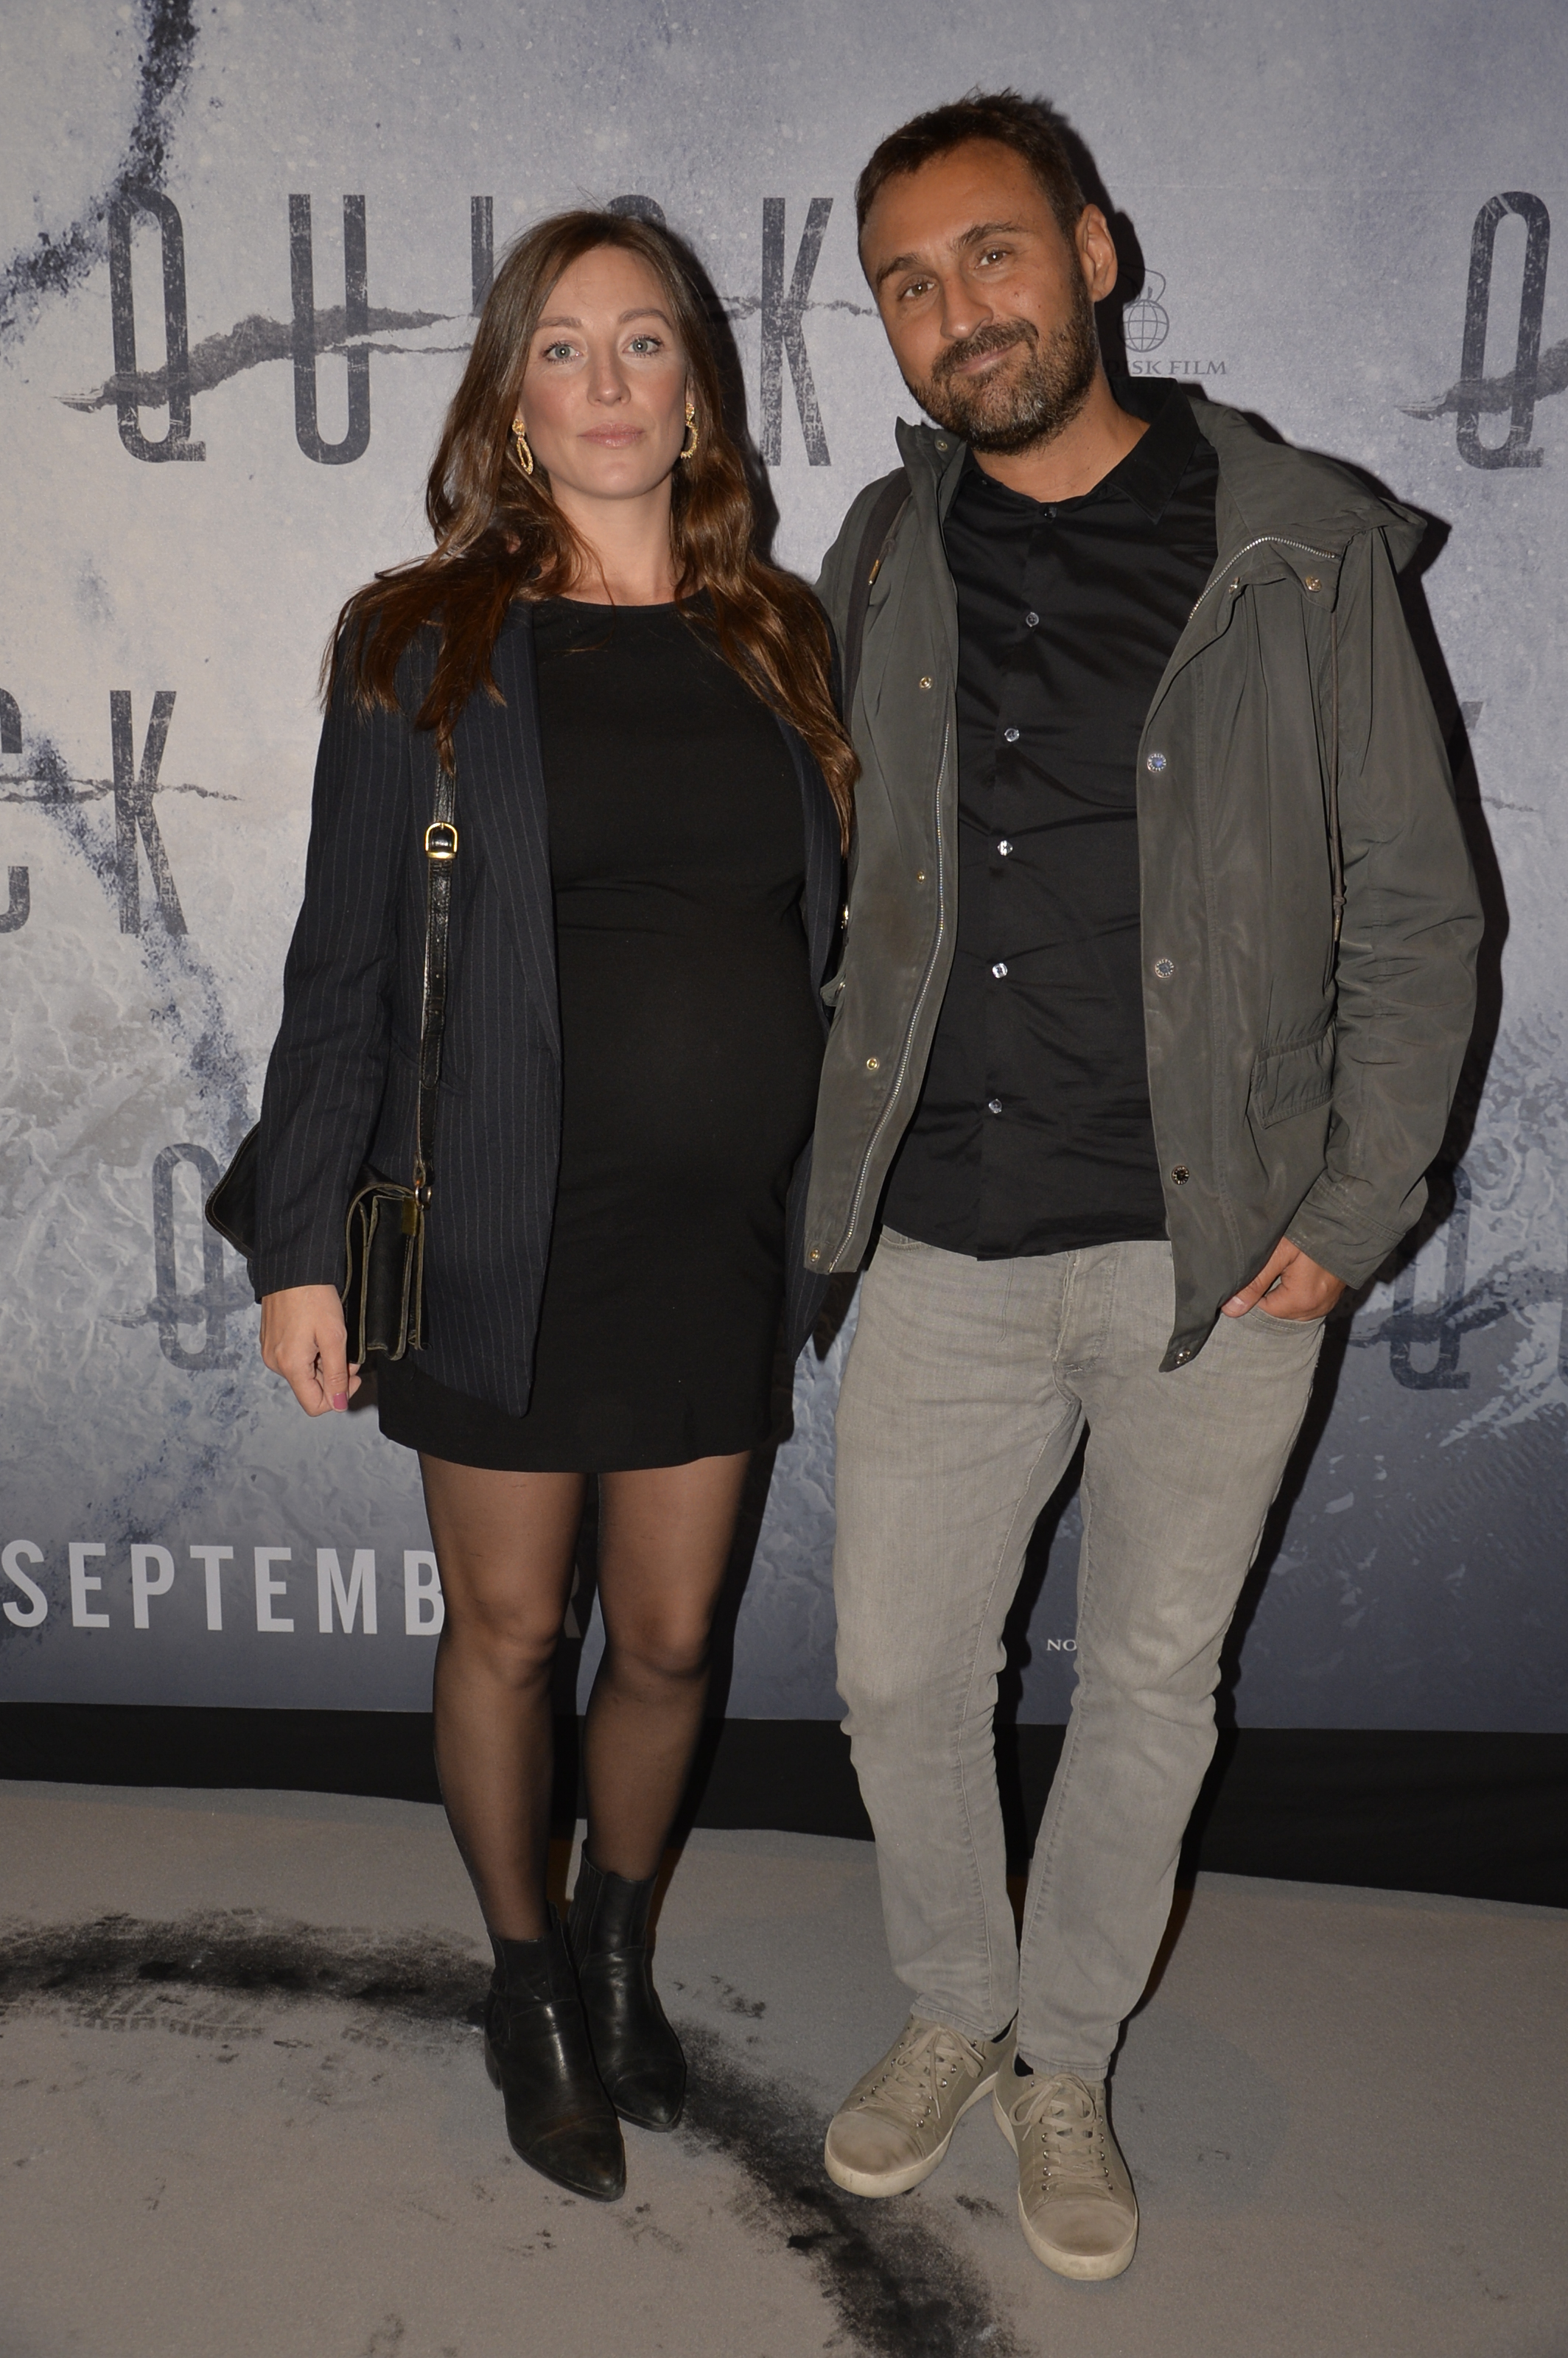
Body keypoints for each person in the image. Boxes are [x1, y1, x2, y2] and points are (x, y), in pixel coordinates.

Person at [805, 94, 1480, 2281]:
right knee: (900, 1676)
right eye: (909, 285)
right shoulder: (880, 553)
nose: (958, 314)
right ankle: (957, 2004)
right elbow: (824, 887)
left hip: (1218, 1253)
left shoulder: (1299, 547)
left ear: (1096, 253)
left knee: (1151, 1689)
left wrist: (1354, 1212)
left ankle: (1067, 2056)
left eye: (993, 254)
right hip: (944, 1236)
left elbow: (1418, 908)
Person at [252, 209, 852, 2204]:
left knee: (670, 1638)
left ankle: (615, 1947)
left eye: (645, 341)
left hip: (713, 1245)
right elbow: (342, 969)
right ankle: (524, 1985)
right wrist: (300, 1249)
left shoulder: (778, 637)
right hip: (499, 1230)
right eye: (565, 347)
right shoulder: (423, 644)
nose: (608, 381)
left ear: (699, 389)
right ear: (511, 398)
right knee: (513, 1631)